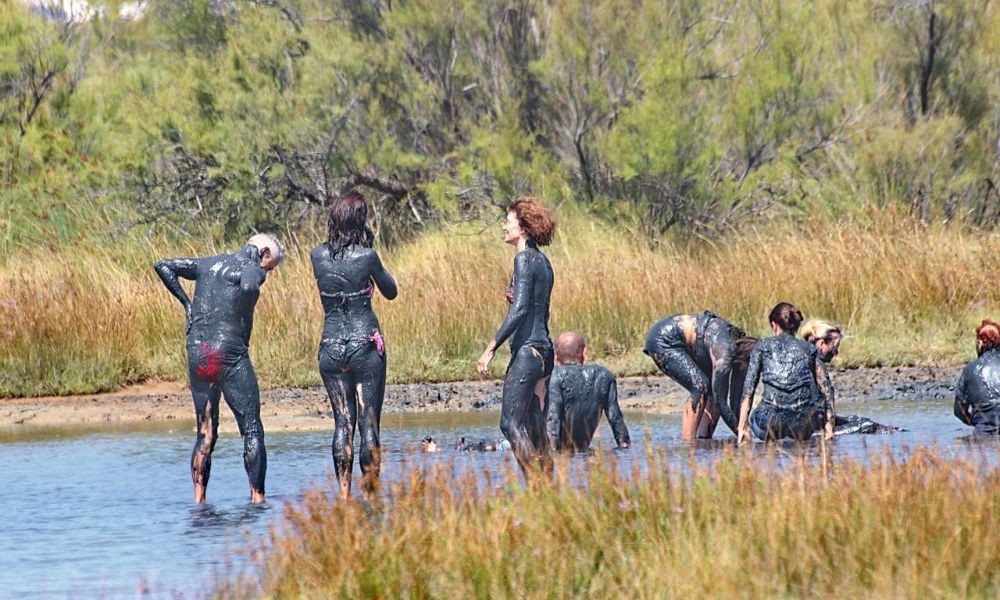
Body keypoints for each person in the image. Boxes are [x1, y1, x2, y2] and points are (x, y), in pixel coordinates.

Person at [154, 233, 284, 504]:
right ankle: (258, 500)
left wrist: (187, 304)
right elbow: (249, 287)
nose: (266, 273)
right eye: (269, 268)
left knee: (205, 431)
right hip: (229, 354)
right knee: (251, 429)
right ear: (263, 253)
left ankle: (199, 500)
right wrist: (243, 317)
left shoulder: (207, 264)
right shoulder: (251, 268)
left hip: (199, 352)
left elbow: (163, 266)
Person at [312, 190, 398, 499]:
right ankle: (372, 496)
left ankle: (344, 497)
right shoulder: (367, 256)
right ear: (360, 220)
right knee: (369, 422)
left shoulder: (316, 255)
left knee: (341, 423)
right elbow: (391, 291)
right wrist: (371, 253)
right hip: (364, 343)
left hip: (331, 345)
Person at [476, 196, 556, 475]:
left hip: (528, 353)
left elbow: (521, 309)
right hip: (545, 353)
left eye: (507, 221)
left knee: (509, 424)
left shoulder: (523, 259)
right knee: (535, 424)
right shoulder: (544, 263)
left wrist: (491, 347)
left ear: (522, 227)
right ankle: (549, 488)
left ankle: (534, 484)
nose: (503, 226)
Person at [643, 312, 758, 441]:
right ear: (746, 358)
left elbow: (734, 402)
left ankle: (704, 440)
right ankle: (688, 445)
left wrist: (743, 426)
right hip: (663, 340)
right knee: (700, 386)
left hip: (689, 342)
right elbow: (721, 402)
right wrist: (740, 431)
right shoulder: (725, 354)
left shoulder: (741, 360)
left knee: (714, 391)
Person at [737, 303, 835, 444]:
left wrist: (743, 427)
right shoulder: (809, 349)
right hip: (802, 425)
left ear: (774, 325)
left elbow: (748, 390)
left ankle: (771, 451)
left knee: (754, 418)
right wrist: (829, 429)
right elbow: (827, 390)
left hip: (769, 423)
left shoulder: (761, 347)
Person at [800, 319, 900, 435]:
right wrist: (830, 435)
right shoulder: (817, 365)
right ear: (822, 344)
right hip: (809, 428)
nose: (836, 353)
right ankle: (896, 433)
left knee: (856, 419)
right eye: (835, 347)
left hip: (803, 421)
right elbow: (828, 402)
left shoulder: (801, 358)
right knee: (866, 426)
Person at [545, 332, 630, 452]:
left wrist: (552, 454)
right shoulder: (603, 375)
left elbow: (553, 418)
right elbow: (615, 418)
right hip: (584, 450)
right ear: (584, 352)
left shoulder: (553, 377)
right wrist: (625, 449)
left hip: (559, 453)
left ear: (555, 356)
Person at [954, 319, 1000, 435]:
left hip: (983, 433)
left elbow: (959, 410)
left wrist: (975, 423)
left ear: (980, 343)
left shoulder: (970, 369)